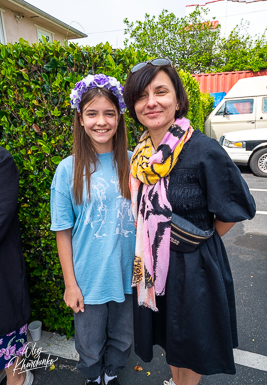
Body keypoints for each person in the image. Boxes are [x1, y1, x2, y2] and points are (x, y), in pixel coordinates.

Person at [123, 58, 256, 385]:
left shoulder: (203, 151)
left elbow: (234, 209)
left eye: (161, 91)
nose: (151, 102)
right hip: (152, 267)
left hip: (194, 270)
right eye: (141, 95)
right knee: (171, 337)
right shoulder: (140, 157)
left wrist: (197, 242)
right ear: (134, 106)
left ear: (178, 100)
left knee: (191, 343)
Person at [50, 74, 135, 385]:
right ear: (80, 118)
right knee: (89, 343)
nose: (102, 121)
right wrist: (70, 284)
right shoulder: (67, 169)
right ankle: (92, 376)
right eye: (92, 113)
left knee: (124, 339)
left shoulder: (134, 163)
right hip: (88, 279)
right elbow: (62, 230)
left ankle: (111, 374)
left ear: (120, 116)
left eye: (109, 113)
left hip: (128, 275)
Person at [0, 147, 33, 385]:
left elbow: (3, 209)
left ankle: (19, 377)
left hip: (3, 267)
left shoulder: (2, 159)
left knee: (8, 329)